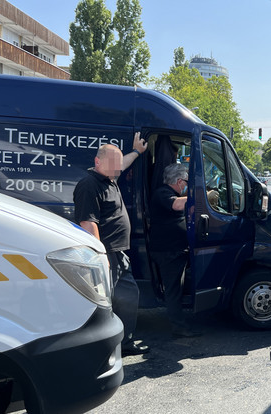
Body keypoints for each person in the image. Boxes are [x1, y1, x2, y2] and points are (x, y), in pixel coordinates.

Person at [74, 132, 150, 356]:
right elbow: (88, 222)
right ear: (97, 161)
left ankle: (124, 343)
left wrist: (137, 151)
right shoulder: (89, 185)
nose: (118, 168)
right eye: (112, 163)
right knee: (103, 303)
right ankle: (98, 349)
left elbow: (122, 163)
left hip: (119, 253)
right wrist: (100, 256)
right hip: (107, 255)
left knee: (128, 296)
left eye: (118, 164)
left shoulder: (110, 178)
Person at [148, 163, 201, 338]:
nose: (186, 186)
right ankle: (178, 327)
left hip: (175, 250)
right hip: (168, 251)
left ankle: (179, 322)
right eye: (186, 182)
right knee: (173, 289)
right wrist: (199, 195)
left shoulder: (169, 192)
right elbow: (177, 205)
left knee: (176, 288)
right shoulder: (162, 193)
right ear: (179, 181)